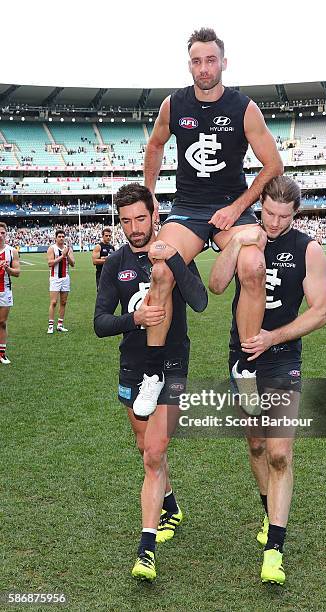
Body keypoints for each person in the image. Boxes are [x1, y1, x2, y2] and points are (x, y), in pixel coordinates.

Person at [137, 26, 283, 416]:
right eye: (197, 61)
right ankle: (153, 374)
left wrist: (237, 208)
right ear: (190, 65)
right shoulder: (173, 105)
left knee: (254, 265)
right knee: (161, 269)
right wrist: (150, 197)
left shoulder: (244, 107)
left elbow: (274, 165)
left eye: (211, 60)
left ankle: (245, 367)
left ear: (223, 62)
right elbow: (155, 144)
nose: (204, 68)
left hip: (229, 210)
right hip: (186, 209)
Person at [209, 176, 326, 586]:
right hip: (242, 356)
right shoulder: (246, 232)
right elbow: (217, 284)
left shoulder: (308, 249)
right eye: (269, 213)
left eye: (284, 216)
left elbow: (321, 311)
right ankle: (268, 512)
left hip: (281, 357)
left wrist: (273, 337)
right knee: (257, 443)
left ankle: (274, 548)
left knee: (279, 452)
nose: (275, 223)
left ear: (296, 214)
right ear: (259, 202)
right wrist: (241, 239)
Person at [94, 183, 208, 582]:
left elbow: (200, 301)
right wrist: (135, 320)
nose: (134, 228)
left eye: (140, 218)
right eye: (126, 221)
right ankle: (171, 506)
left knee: (155, 451)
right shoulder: (115, 264)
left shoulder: (175, 251)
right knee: (146, 448)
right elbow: (99, 323)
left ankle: (146, 549)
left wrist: (176, 261)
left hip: (173, 365)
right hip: (133, 367)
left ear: (154, 214)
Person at [46, 229, 75, 334]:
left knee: (63, 302)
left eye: (63, 236)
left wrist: (67, 255)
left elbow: (73, 264)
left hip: (65, 278)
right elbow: (50, 263)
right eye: (59, 236)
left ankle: (60, 325)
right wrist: (62, 256)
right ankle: (50, 325)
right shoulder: (52, 248)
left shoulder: (68, 249)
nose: (61, 238)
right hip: (55, 278)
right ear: (56, 238)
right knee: (53, 302)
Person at [0, 222, 21, 365]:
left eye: (2, 233)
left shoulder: (12, 251)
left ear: (6, 234)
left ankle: (2, 353)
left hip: (5, 291)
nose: (0, 235)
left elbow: (17, 272)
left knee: (1, 322)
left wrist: (7, 269)